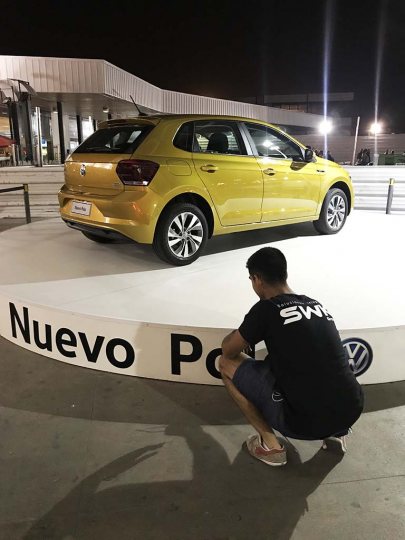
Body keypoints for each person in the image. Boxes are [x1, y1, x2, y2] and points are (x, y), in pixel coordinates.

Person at [219, 247, 364, 467]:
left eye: (251, 279)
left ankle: (270, 446)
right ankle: (336, 433)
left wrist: (246, 328)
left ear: (257, 279)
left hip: (302, 423)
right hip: (351, 410)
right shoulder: (315, 304)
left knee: (225, 365)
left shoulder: (266, 309)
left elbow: (228, 350)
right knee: (323, 367)